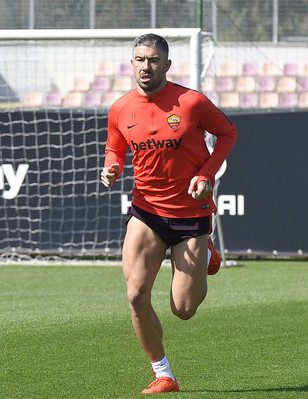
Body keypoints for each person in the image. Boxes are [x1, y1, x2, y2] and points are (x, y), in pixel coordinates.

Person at [101, 33, 237, 394]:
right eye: (140, 60)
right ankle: (164, 374)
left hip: (191, 214)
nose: (146, 67)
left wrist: (206, 173)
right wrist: (111, 167)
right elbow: (114, 148)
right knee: (135, 295)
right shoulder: (120, 108)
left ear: (167, 64)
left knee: (183, 309)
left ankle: (205, 249)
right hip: (146, 210)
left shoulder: (191, 102)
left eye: (154, 60)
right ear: (132, 64)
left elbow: (227, 133)